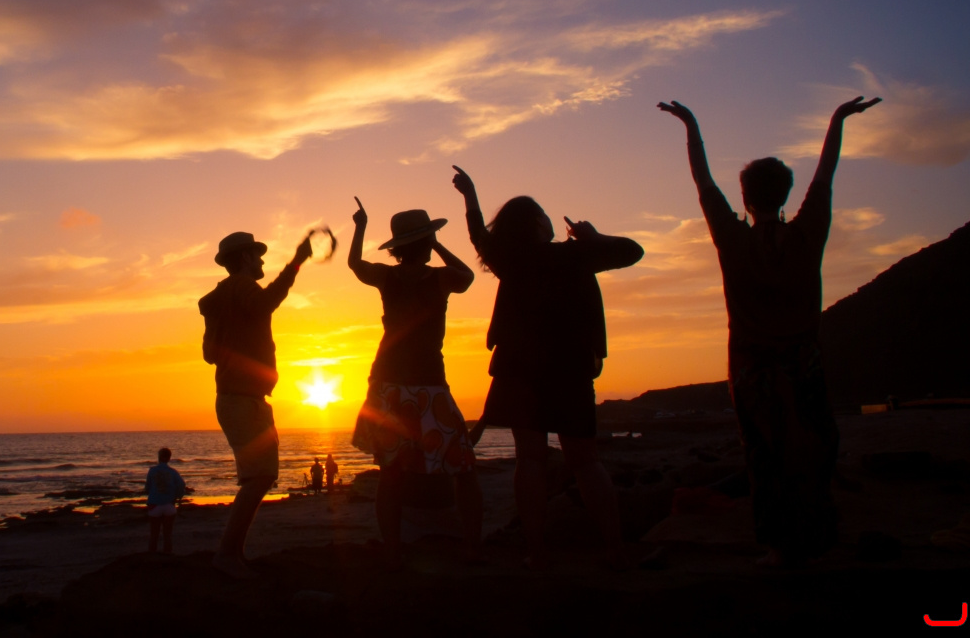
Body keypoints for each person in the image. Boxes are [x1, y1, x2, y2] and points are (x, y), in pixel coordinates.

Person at [659, 95, 880, 567]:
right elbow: (825, 175)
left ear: (745, 198)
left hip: (752, 369)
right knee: (813, 452)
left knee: (765, 457)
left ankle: (779, 547)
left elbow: (703, 181)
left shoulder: (732, 238)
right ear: (785, 195)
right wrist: (838, 119)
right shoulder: (807, 233)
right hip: (804, 365)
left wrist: (690, 124)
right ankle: (817, 538)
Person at [453, 166, 642, 571]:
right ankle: (615, 548)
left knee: (530, 459)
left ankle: (537, 553)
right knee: (585, 460)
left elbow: (478, 235)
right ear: (537, 223)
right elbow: (632, 251)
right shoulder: (576, 254)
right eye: (542, 213)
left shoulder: (510, 260)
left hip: (519, 369)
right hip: (569, 368)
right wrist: (593, 237)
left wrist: (470, 194)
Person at [348, 198, 482, 568]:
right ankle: (473, 547)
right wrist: (439, 245)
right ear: (425, 242)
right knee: (462, 467)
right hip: (428, 383)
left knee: (391, 473)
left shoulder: (388, 277)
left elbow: (356, 264)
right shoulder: (439, 278)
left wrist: (360, 227)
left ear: (397, 248)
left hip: (389, 383)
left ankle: (393, 549)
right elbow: (467, 277)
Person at [200, 229, 314, 579]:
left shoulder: (220, 299)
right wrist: (296, 263)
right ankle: (227, 555)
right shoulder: (241, 286)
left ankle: (232, 554)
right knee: (260, 477)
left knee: (259, 477)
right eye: (257, 255)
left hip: (239, 398)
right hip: (242, 400)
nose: (262, 261)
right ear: (246, 258)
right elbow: (267, 303)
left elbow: (209, 355)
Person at [145, 446, 187, 554]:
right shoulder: (173, 472)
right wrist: (178, 497)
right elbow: (181, 484)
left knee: (154, 534)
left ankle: (152, 556)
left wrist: (152, 493)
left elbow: (147, 487)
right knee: (167, 535)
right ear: (169, 458)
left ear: (159, 457)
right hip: (169, 505)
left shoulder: (152, 471)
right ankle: (167, 556)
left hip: (154, 505)